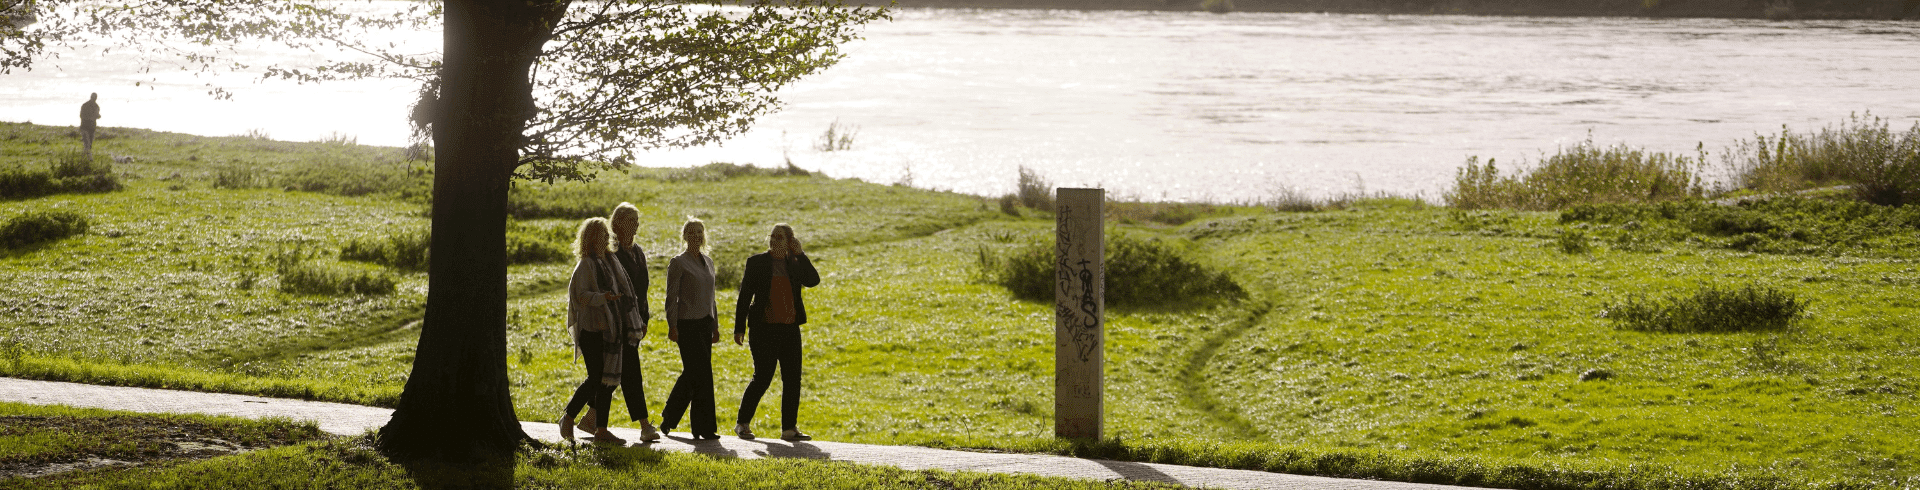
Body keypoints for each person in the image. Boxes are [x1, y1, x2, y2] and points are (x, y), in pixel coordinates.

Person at [733, 223, 821, 441]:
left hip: (790, 329)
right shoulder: (757, 262)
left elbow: (813, 280)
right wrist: (739, 328)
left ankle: (789, 429)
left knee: (792, 379)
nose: (774, 240)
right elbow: (745, 295)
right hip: (763, 329)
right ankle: (742, 424)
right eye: (772, 236)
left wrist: (800, 253)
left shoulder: (795, 263)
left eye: (780, 237)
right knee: (762, 377)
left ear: (789, 241)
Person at [586, 202, 661, 442]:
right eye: (631, 221)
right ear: (617, 224)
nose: (636, 226)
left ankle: (590, 417)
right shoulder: (611, 254)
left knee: (616, 372)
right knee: (629, 372)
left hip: (635, 321)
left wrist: (644, 318)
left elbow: (643, 289)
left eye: (637, 221)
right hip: (618, 323)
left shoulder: (638, 252)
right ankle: (644, 425)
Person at [560, 217, 635, 445]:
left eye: (606, 234)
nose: (606, 237)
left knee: (605, 381)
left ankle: (600, 428)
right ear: (591, 238)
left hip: (610, 328)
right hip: (592, 329)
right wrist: (603, 298)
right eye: (601, 234)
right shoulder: (586, 265)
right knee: (595, 378)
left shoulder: (609, 262)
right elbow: (579, 296)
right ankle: (568, 416)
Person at [660, 218, 721, 440]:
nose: (696, 235)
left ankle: (698, 426)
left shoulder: (709, 262)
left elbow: (712, 297)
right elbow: (671, 297)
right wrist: (672, 324)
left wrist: (715, 325)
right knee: (698, 373)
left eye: (700, 232)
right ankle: (680, 420)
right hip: (687, 324)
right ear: (684, 236)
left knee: (699, 374)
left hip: (705, 323)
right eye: (692, 232)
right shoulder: (678, 262)